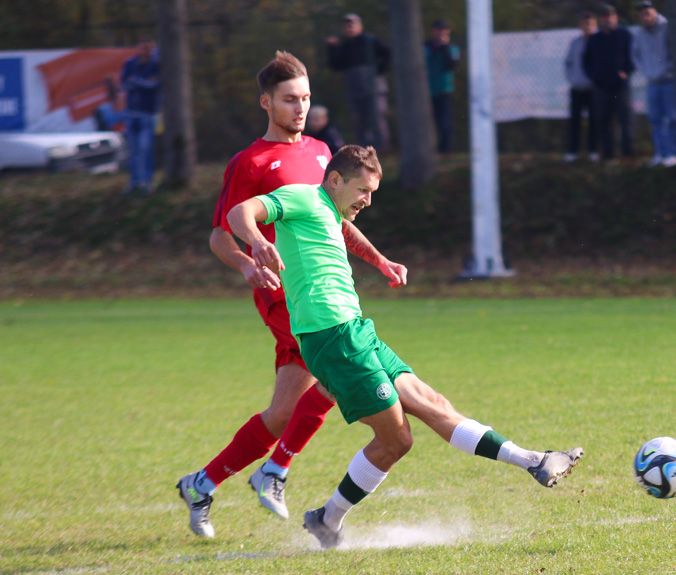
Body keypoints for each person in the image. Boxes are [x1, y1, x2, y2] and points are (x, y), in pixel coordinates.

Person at [226, 145, 584, 550]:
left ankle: (533, 460)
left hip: (356, 331)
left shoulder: (329, 210)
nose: (367, 200)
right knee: (397, 440)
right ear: (335, 180)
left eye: (373, 193)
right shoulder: (302, 196)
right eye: (362, 190)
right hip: (332, 338)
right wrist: (256, 242)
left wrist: (382, 262)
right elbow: (239, 213)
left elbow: (349, 235)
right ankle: (328, 518)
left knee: (435, 404)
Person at [175, 52, 407, 539]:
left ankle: (203, 482)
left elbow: (335, 222)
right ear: (266, 102)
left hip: (318, 298)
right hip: (284, 297)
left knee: (283, 412)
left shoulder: (324, 152)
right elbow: (223, 233)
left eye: (305, 97)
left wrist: (378, 258)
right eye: (289, 99)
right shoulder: (251, 161)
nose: (300, 107)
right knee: (341, 369)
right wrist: (248, 258)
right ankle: (277, 469)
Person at [327, 14, 392, 152]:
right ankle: (364, 152)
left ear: (360, 26)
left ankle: (383, 149)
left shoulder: (371, 41)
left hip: (374, 88)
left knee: (378, 118)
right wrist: (331, 49)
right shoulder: (343, 46)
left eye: (351, 25)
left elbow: (388, 54)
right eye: (346, 26)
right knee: (359, 121)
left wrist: (379, 70)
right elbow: (335, 66)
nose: (349, 28)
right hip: (354, 89)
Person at [582, 4, 635, 161]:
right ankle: (608, 155)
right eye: (604, 16)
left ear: (615, 17)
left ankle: (627, 154)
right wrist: (595, 77)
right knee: (604, 121)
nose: (608, 19)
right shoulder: (594, 39)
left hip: (620, 87)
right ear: (600, 19)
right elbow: (586, 62)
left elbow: (633, 57)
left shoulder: (625, 35)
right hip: (601, 87)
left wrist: (626, 71)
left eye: (610, 16)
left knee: (626, 121)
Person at [632, 1, 676, 168]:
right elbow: (636, 55)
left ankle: (672, 154)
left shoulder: (668, 27)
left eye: (647, 13)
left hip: (669, 80)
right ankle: (659, 153)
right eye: (642, 14)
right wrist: (647, 71)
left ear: (654, 12)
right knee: (655, 119)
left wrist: (665, 70)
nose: (645, 16)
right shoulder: (639, 33)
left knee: (672, 118)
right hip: (652, 82)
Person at [120, 38, 160, 195]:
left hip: (147, 114)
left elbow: (153, 85)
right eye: (142, 47)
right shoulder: (130, 64)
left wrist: (135, 81)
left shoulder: (155, 65)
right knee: (133, 150)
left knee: (145, 149)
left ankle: (147, 181)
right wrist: (141, 83)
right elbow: (124, 84)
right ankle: (134, 181)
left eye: (148, 48)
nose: (144, 51)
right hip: (131, 113)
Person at [563, 12, 599, 163]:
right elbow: (568, 63)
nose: (587, 27)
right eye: (584, 24)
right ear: (580, 26)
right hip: (577, 88)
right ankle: (573, 151)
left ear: (595, 26)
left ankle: (593, 151)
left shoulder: (599, 42)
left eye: (590, 24)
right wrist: (573, 79)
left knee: (594, 121)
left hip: (593, 89)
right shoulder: (575, 43)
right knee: (575, 122)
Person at [424, 19, 461, 154]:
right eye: (438, 29)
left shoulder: (451, 48)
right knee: (426, 124)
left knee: (444, 122)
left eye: (443, 30)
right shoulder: (425, 46)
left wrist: (444, 47)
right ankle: (428, 149)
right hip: (425, 91)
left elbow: (452, 65)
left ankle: (445, 149)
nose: (440, 32)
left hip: (443, 90)